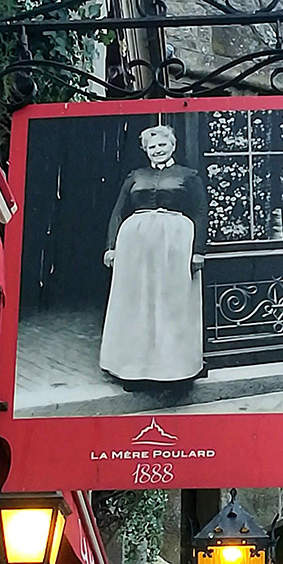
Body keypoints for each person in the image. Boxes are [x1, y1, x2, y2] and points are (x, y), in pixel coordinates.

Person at [100, 124, 207, 385]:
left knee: (172, 304)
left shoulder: (188, 176)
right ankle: (131, 368)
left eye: (162, 145)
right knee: (136, 303)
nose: (157, 150)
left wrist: (197, 251)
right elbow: (118, 211)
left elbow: (200, 212)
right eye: (152, 146)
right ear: (145, 150)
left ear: (173, 146)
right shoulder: (135, 176)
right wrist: (111, 247)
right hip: (135, 247)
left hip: (175, 246)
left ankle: (175, 368)